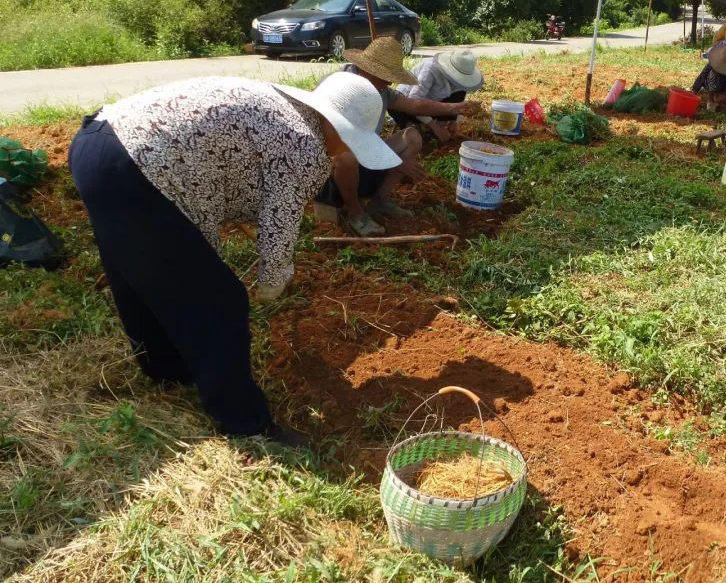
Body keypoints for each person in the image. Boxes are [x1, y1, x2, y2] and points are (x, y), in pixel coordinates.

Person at [67, 73, 401, 445]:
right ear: (336, 125)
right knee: (221, 302)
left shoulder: (284, 107)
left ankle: (165, 366)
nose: (347, 150)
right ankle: (246, 423)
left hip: (97, 144)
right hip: (140, 168)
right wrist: (273, 283)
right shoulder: (305, 145)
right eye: (352, 140)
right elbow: (278, 225)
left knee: (139, 268)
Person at [315, 37, 482, 236]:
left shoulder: (380, 89)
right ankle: (355, 212)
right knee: (346, 156)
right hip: (332, 161)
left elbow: (412, 105)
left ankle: (380, 200)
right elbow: (339, 140)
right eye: (387, 76)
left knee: (412, 137)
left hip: (367, 154)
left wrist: (455, 107)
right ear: (368, 70)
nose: (390, 81)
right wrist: (394, 162)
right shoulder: (339, 87)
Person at [393, 50, 484, 142]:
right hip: (407, 103)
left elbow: (458, 103)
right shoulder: (430, 68)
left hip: (434, 106)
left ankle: (439, 126)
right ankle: (412, 126)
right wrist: (434, 126)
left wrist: (455, 121)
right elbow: (414, 101)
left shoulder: (462, 82)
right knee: (412, 131)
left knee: (459, 93)